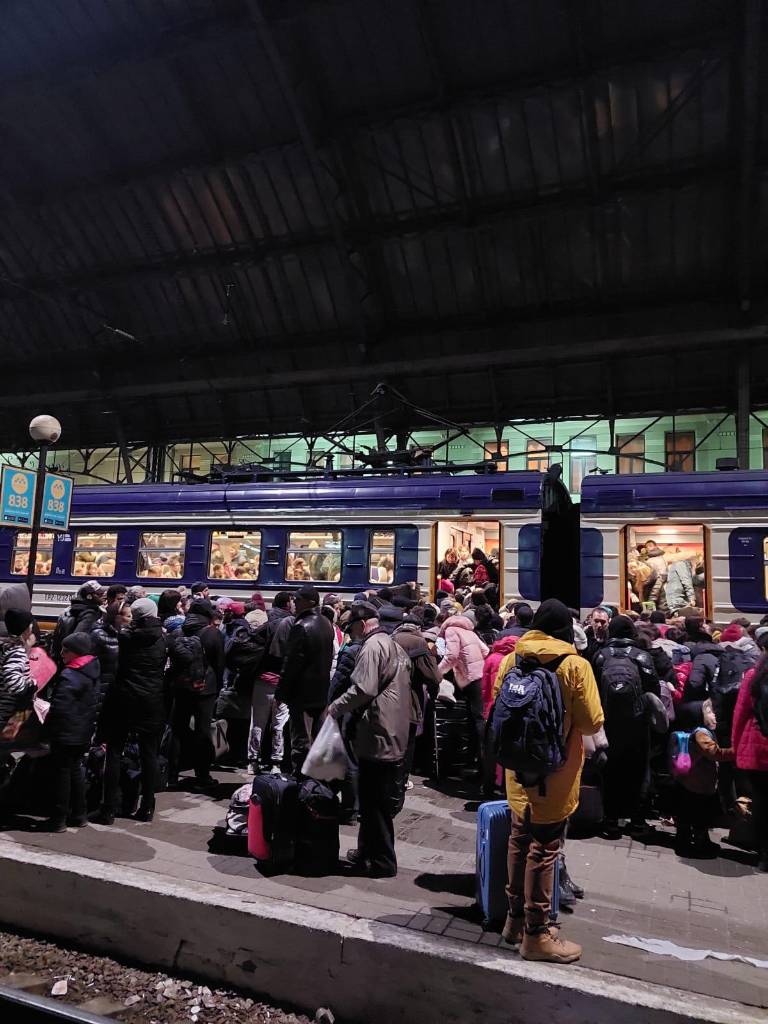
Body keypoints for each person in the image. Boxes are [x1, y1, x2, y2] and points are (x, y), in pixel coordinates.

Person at [494, 599, 604, 963]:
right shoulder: (575, 665)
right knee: (544, 848)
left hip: (517, 771)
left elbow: (498, 705)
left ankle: (513, 921)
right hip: (555, 774)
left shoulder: (514, 658)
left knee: (518, 839)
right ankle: (538, 935)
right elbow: (591, 723)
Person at [328, 607, 413, 877]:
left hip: (378, 732)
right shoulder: (392, 644)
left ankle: (383, 862)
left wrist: (333, 708)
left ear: (362, 624)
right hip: (393, 730)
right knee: (372, 800)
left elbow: (363, 688)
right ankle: (366, 852)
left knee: (375, 803)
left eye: (351, 628)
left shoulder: (372, 647)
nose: (350, 634)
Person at [95, 599, 167, 825]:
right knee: (149, 753)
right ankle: (147, 806)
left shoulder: (125, 637)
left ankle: (108, 809)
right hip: (151, 700)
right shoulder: (165, 638)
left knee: (114, 751)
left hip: (124, 698)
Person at [592, 615, 660, 836]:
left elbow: (592, 688)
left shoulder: (601, 655)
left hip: (608, 722)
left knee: (610, 770)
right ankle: (638, 821)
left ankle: (610, 821)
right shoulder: (642, 656)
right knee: (639, 770)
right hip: (637, 723)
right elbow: (654, 691)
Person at [39, 633, 102, 832]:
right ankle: (79, 814)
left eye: (66, 650)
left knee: (62, 774)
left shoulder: (70, 675)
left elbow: (60, 708)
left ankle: (58, 819)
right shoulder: (91, 670)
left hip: (67, 732)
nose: (62, 653)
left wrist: (48, 724)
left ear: (76, 652)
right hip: (83, 730)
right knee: (75, 771)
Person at [275, 585, 333, 773]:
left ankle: (301, 781)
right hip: (321, 692)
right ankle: (316, 780)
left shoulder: (301, 626)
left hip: (302, 695)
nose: (294, 603)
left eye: (298, 599)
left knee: (300, 741)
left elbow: (291, 664)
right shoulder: (326, 623)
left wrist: (281, 692)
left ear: (310, 602)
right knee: (316, 739)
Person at [167, 599, 224, 789]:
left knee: (177, 729)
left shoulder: (178, 631)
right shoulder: (213, 634)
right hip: (205, 688)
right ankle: (202, 775)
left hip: (181, 686)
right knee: (202, 730)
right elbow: (219, 663)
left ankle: (172, 774)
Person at [671, 701, 733, 857]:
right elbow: (713, 752)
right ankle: (697, 842)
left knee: (689, 814)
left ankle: (689, 840)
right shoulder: (701, 733)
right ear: (699, 716)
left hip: (694, 782)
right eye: (709, 712)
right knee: (699, 816)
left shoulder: (702, 731)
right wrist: (734, 752)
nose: (714, 714)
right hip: (698, 783)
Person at [437, 612, 489, 769]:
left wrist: (437, 673)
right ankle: (480, 762)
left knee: (476, 721)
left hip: (469, 679)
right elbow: (486, 651)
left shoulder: (451, 630)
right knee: (478, 718)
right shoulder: (469, 631)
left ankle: (481, 759)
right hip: (480, 677)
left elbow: (451, 656)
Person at [732, 655, 768, 871]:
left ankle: (764, 855)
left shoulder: (756, 675)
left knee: (762, 801)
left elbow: (741, 712)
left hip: (759, 746)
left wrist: (737, 748)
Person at [91, 599, 132, 722]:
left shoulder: (124, 635)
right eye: (128, 616)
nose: (131, 619)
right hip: (99, 686)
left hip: (113, 687)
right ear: (117, 617)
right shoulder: (99, 635)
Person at [0, 609, 36, 736]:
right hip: (8, 710)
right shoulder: (17, 651)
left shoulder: (5, 645)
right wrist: (30, 684)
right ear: (26, 628)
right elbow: (13, 682)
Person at [50, 581, 107, 662]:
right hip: (77, 659)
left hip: (63, 655)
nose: (103, 596)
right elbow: (77, 639)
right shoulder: (90, 614)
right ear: (89, 596)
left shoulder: (72, 609)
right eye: (98, 594)